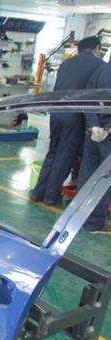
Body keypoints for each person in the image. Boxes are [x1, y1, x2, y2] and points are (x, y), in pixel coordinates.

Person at [31, 36, 104, 205]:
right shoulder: (99, 65)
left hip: (56, 113)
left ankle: (38, 192)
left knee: (53, 151)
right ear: (97, 48)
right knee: (66, 154)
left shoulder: (66, 63)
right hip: (74, 116)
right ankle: (51, 196)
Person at [78, 61, 111, 233]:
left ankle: (79, 216)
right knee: (105, 179)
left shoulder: (100, 70)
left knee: (88, 174)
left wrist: (93, 125)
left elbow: (87, 98)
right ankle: (94, 222)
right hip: (108, 134)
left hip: (93, 132)